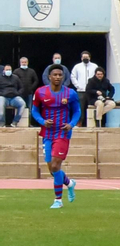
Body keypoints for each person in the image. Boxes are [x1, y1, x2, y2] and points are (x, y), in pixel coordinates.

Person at [31, 65, 80, 207]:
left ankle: (58, 200)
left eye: (60, 75)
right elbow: (34, 111)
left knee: (55, 164)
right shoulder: (40, 92)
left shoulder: (70, 94)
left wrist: (71, 124)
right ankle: (70, 183)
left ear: (63, 77)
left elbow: (77, 111)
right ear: (49, 77)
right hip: (47, 133)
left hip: (62, 133)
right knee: (52, 169)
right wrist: (42, 121)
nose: (58, 77)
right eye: (55, 75)